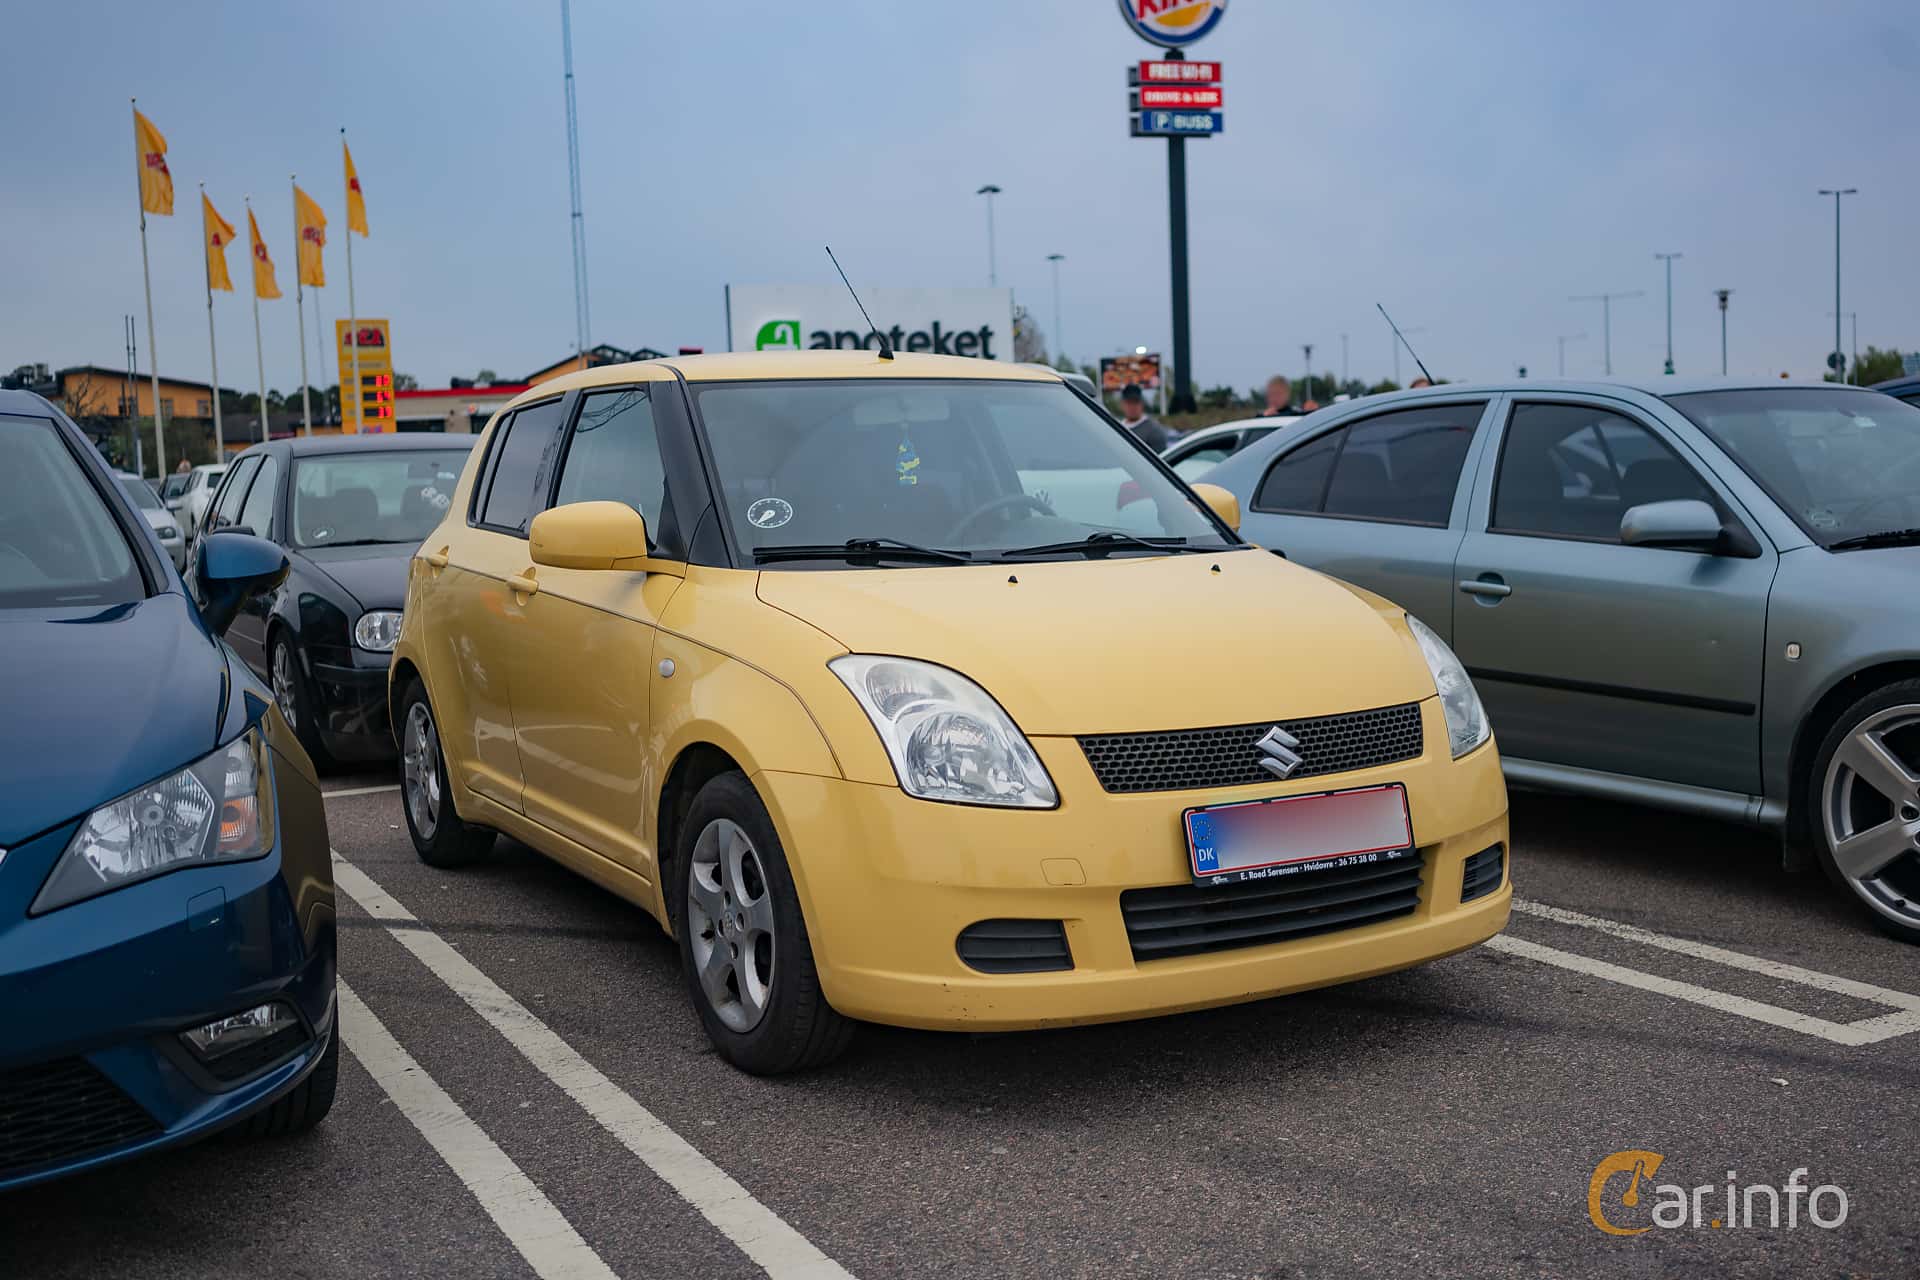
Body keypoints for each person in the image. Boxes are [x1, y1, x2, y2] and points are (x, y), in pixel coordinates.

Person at [1115, 384, 1172, 450]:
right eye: (1129, 402)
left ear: (1142, 404)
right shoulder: (1117, 427)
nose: (1132, 407)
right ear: (1122, 404)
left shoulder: (1154, 431)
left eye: (1135, 402)